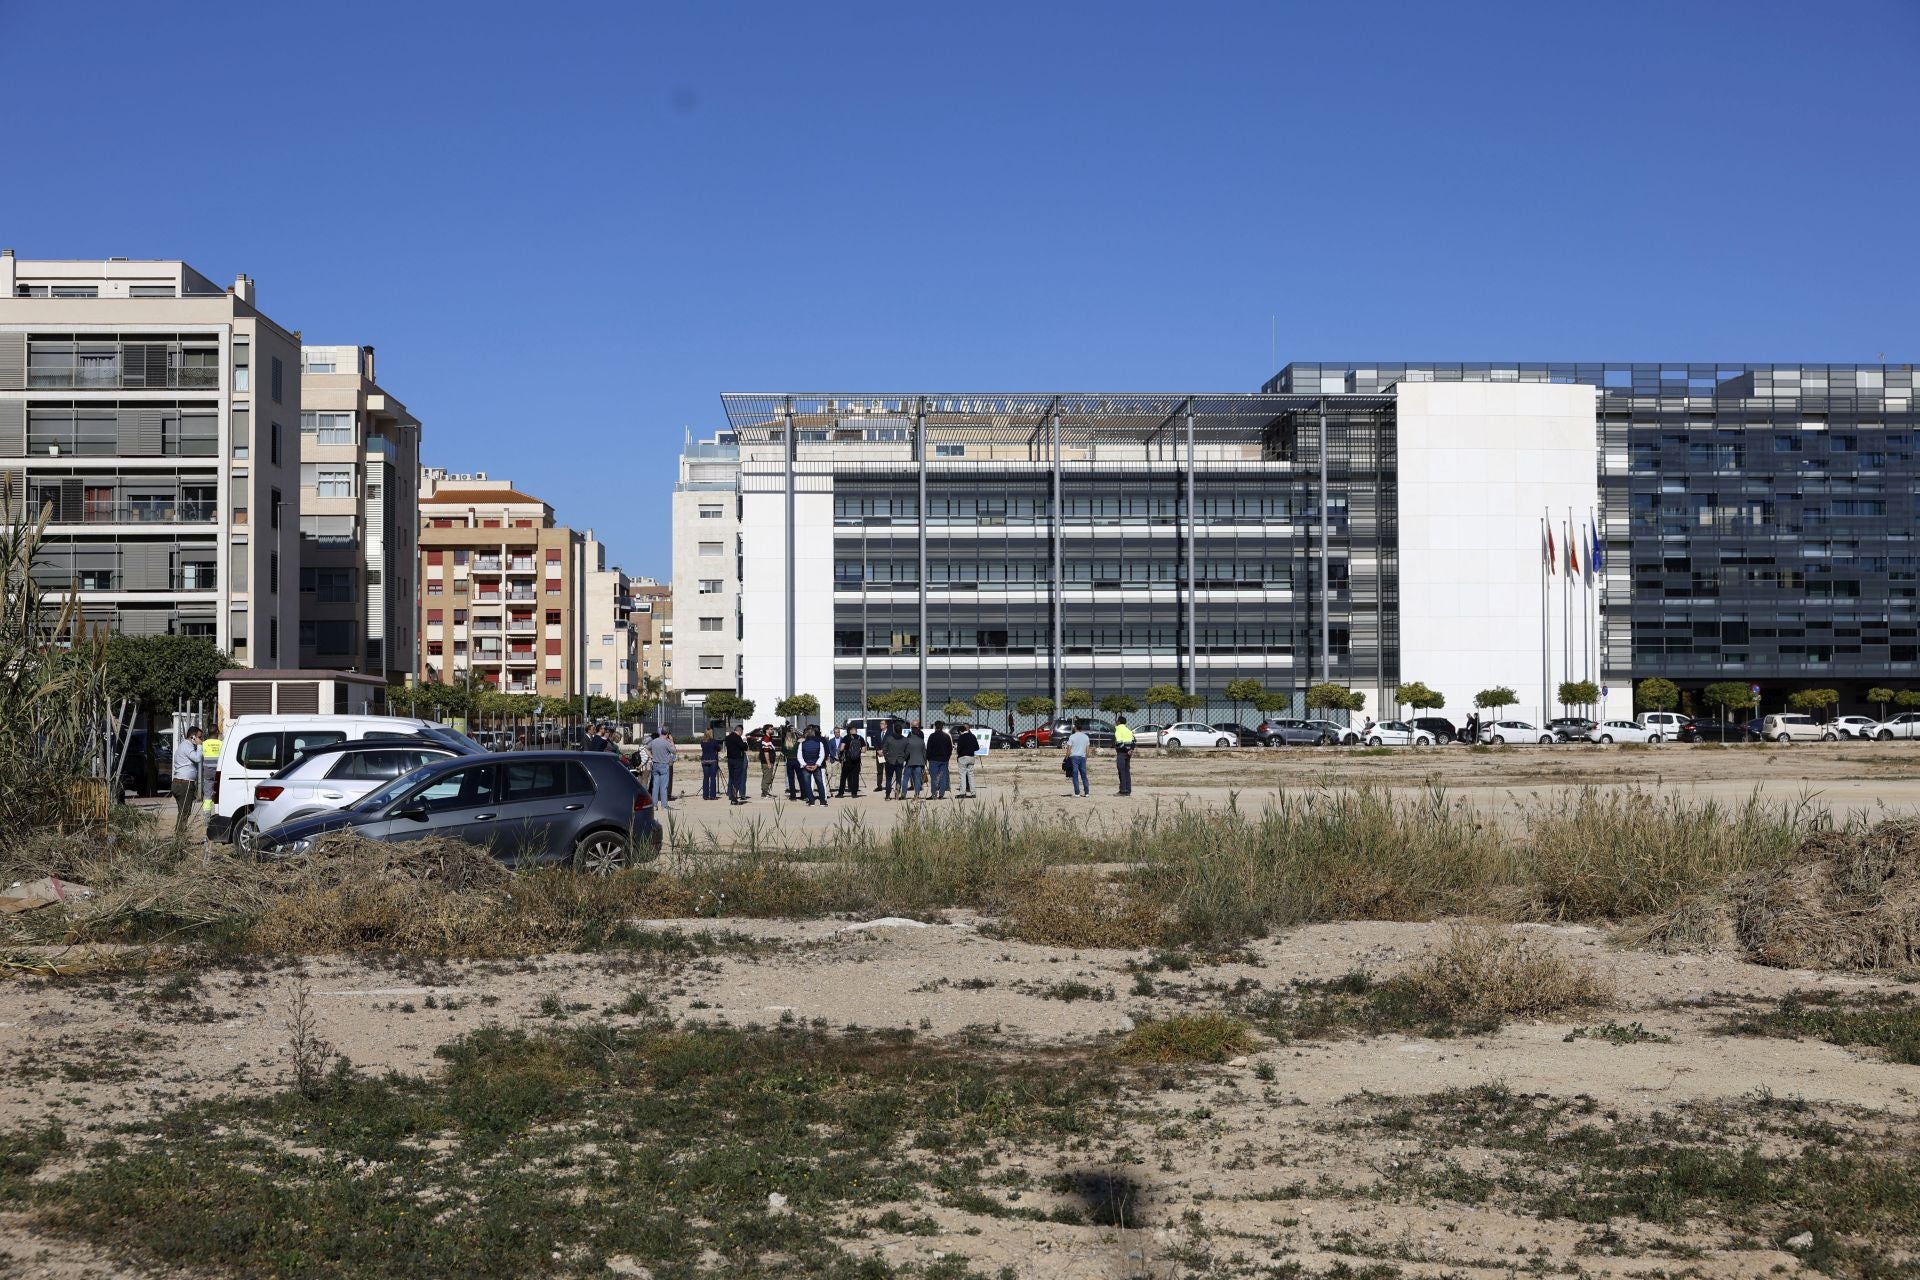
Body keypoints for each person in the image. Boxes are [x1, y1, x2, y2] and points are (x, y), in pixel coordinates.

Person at [172, 726, 204, 831]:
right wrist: (199, 746)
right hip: (184, 784)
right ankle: (180, 838)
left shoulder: (184, 746)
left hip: (181, 783)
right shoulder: (187, 746)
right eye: (200, 737)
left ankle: (179, 836)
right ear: (193, 737)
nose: (201, 740)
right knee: (185, 812)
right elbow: (197, 758)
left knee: (183, 812)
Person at [797, 725, 830, 806]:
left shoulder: (802, 744)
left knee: (807, 784)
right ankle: (823, 802)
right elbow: (822, 755)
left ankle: (811, 801)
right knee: (820, 783)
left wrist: (805, 765)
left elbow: (799, 756)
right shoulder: (819, 743)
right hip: (817, 766)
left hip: (806, 766)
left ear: (806, 734)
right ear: (814, 734)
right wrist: (817, 764)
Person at [648, 728, 676, 809]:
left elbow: (646, 748)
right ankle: (664, 806)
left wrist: (651, 756)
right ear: (667, 733)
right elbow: (674, 751)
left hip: (655, 764)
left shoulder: (654, 741)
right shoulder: (666, 742)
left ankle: (654, 805)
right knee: (663, 787)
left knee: (655, 786)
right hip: (664, 765)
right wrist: (672, 741)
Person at [926, 721, 953, 799]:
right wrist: (947, 758)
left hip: (934, 759)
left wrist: (929, 758)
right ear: (942, 727)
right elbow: (950, 749)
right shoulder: (946, 736)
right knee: (943, 777)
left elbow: (929, 749)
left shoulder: (932, 736)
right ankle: (941, 794)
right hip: (944, 760)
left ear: (935, 727)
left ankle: (934, 794)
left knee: (934, 777)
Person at [1065, 719, 1091, 797]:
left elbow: (1069, 749)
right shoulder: (1086, 737)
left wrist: (1066, 758)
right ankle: (1086, 793)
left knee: (1075, 775)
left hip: (1074, 757)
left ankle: (1077, 793)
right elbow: (1087, 750)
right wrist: (1085, 758)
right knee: (1084, 775)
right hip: (1082, 757)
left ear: (1075, 727)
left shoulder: (1072, 736)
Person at [836, 726, 864, 797]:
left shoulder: (846, 737)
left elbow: (842, 748)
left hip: (847, 761)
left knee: (843, 777)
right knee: (855, 777)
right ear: (856, 731)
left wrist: (840, 751)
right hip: (857, 761)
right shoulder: (860, 738)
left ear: (851, 731)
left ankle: (841, 793)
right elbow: (864, 750)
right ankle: (854, 793)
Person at [954, 723, 980, 798]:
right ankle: (973, 793)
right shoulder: (972, 736)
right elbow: (977, 747)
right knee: (971, 775)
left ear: (960, 731)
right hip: (971, 757)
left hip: (963, 757)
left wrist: (959, 753)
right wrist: (970, 749)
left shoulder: (961, 737)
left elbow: (959, 749)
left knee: (962, 775)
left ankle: (962, 792)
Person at [882, 722, 908, 799]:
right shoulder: (905, 740)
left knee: (888, 779)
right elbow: (907, 751)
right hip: (900, 760)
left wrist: (886, 757)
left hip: (890, 760)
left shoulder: (889, 738)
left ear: (894, 730)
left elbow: (884, 749)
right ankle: (897, 793)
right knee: (898, 778)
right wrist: (904, 758)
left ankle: (887, 795)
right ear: (901, 730)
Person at [723, 724, 749, 804]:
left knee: (732, 777)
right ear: (739, 731)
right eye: (741, 732)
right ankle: (734, 798)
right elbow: (744, 747)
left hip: (730, 759)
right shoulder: (737, 738)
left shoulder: (728, 737)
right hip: (737, 759)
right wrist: (745, 743)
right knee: (737, 779)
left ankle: (730, 794)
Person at [903, 723, 928, 798]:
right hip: (919, 763)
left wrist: (904, 759)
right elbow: (924, 753)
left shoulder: (908, 741)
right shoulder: (921, 741)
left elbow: (906, 752)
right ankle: (917, 794)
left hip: (909, 762)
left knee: (905, 778)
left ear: (911, 731)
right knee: (917, 779)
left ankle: (903, 794)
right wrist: (924, 762)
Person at [1113, 715, 1136, 795]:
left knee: (1121, 772)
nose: (1116, 722)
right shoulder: (1128, 730)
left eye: (1117, 721)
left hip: (1121, 753)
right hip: (1128, 754)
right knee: (1127, 772)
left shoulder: (1118, 730)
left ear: (1119, 722)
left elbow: (1119, 743)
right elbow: (1134, 741)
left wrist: (1126, 750)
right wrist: (1131, 750)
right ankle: (1128, 790)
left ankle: (1123, 790)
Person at [699, 729, 721, 800]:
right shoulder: (714, 741)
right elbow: (719, 748)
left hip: (704, 760)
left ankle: (705, 795)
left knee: (705, 777)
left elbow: (703, 748)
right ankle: (712, 796)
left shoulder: (702, 741)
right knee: (712, 778)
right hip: (712, 760)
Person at [757, 726, 779, 798]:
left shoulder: (769, 738)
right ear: (767, 730)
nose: (772, 730)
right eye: (771, 729)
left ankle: (765, 792)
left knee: (767, 777)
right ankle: (764, 793)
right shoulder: (766, 739)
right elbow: (766, 752)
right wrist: (768, 762)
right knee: (767, 778)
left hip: (768, 761)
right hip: (767, 762)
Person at [780, 725, 801, 800]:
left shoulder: (785, 745)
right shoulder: (798, 744)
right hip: (797, 761)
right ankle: (804, 794)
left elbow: (783, 752)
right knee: (800, 778)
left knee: (791, 780)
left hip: (789, 760)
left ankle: (793, 796)